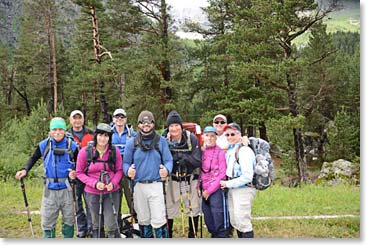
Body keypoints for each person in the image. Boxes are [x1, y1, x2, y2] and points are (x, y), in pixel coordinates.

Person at [15, 117, 78, 238]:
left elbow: (80, 165)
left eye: (60, 129)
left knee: (69, 220)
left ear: (65, 131)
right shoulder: (44, 145)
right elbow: (33, 158)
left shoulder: (73, 146)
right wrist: (25, 169)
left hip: (68, 188)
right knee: (47, 221)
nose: (57, 132)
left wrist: (75, 173)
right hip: (49, 189)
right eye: (54, 129)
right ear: (50, 131)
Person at [123, 111, 173, 238]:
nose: (146, 125)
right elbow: (126, 163)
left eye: (149, 122)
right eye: (142, 122)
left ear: (153, 123)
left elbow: (168, 160)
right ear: (138, 124)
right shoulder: (131, 142)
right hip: (138, 185)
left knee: (159, 219)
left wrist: (166, 170)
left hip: (156, 184)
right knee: (143, 219)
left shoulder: (161, 141)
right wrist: (128, 171)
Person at [76, 123, 123, 238]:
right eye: (100, 135)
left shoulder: (114, 151)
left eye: (106, 136)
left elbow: (119, 170)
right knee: (96, 223)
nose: (103, 138)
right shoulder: (85, 152)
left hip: (112, 192)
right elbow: (79, 173)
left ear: (109, 138)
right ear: (96, 135)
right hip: (92, 193)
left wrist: (113, 183)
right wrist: (94, 183)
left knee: (111, 223)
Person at [163, 111, 202, 238]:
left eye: (176, 125)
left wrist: (183, 157)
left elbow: (197, 161)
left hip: (189, 178)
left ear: (181, 126)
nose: (174, 129)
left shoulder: (191, 138)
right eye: (171, 126)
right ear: (168, 127)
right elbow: (161, 159)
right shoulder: (164, 139)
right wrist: (176, 159)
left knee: (193, 207)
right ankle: (169, 234)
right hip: (172, 178)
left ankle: (192, 234)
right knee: (170, 206)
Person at [219, 122, 256, 238]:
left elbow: (247, 176)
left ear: (239, 134)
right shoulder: (230, 149)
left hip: (243, 189)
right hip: (232, 189)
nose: (229, 137)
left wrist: (228, 183)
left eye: (232, 134)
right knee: (235, 220)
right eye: (227, 135)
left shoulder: (244, 151)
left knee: (243, 221)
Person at [68, 110, 94, 238]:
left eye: (79, 118)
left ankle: (92, 227)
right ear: (70, 120)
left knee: (90, 202)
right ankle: (82, 228)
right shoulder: (66, 135)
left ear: (83, 120)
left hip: (89, 174)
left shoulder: (91, 134)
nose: (77, 121)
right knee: (77, 202)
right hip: (74, 175)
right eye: (75, 118)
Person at [199, 126, 227, 238]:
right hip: (203, 191)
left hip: (215, 191)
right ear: (203, 137)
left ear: (216, 138)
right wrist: (200, 188)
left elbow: (222, 175)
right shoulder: (201, 152)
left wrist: (209, 191)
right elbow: (200, 172)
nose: (210, 138)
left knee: (218, 220)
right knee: (209, 221)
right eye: (207, 135)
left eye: (212, 136)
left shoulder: (221, 153)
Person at [111, 108, 136, 227]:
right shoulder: (109, 133)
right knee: (115, 199)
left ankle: (136, 222)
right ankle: (117, 225)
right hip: (113, 171)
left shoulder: (132, 134)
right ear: (113, 119)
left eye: (122, 117)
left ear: (125, 119)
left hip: (128, 170)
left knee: (131, 197)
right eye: (117, 117)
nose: (119, 119)